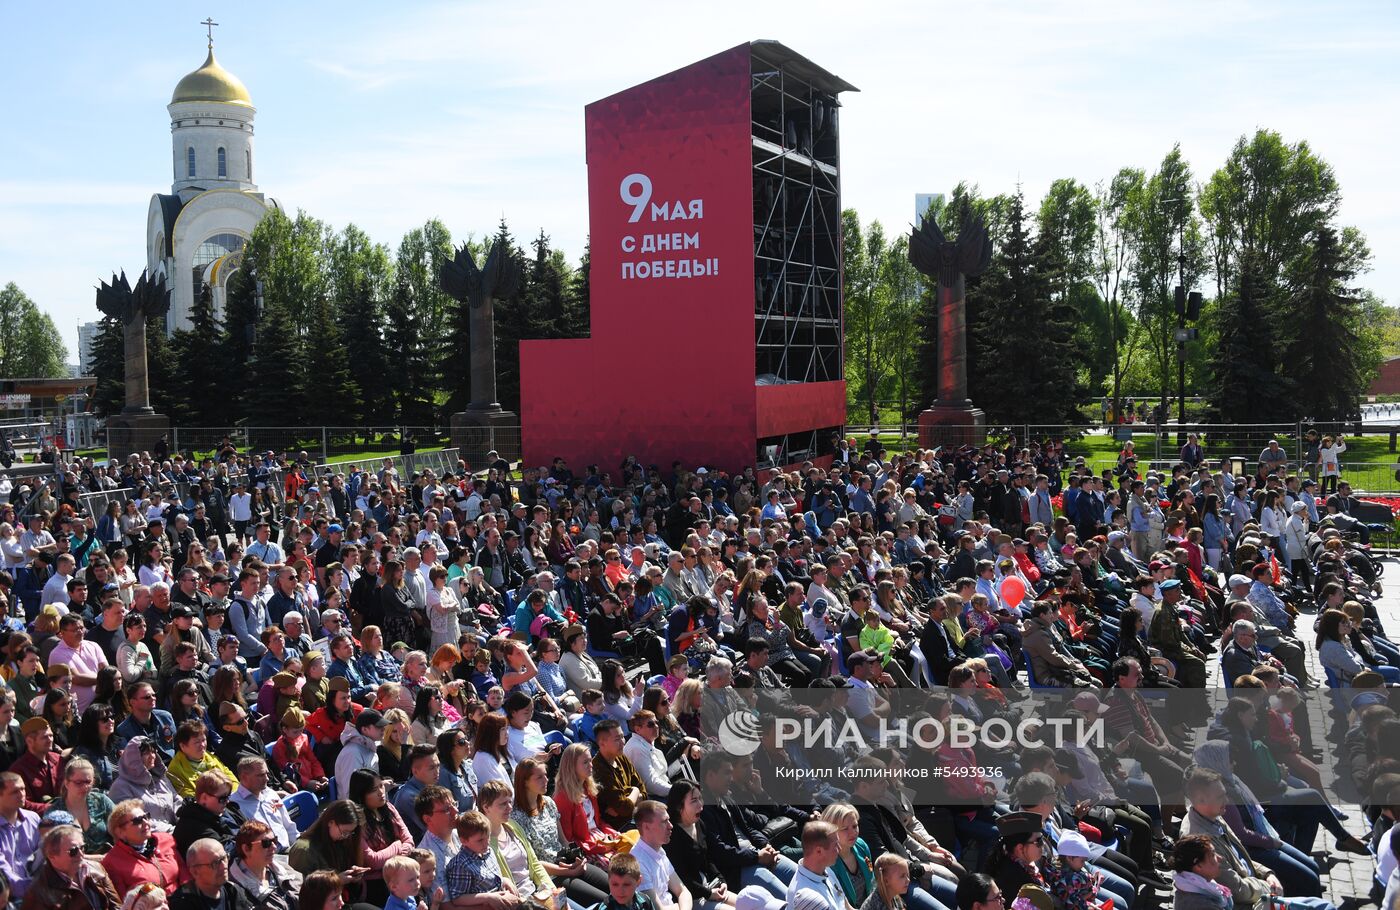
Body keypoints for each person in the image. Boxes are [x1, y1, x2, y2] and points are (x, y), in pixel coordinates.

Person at [511, 758, 610, 907]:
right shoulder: (516, 817)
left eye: (545, 775)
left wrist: (578, 858)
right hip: (551, 876)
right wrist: (567, 872)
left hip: (568, 864)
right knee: (605, 901)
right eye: (539, 777)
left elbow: (563, 841)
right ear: (524, 782)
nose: (546, 780)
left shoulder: (548, 803)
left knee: (615, 886)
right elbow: (532, 863)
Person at [347, 769, 413, 904]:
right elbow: (373, 860)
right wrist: (397, 845)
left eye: (381, 786)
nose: (381, 792)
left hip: (399, 869)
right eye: (373, 790)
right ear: (361, 795)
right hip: (376, 880)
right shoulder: (358, 822)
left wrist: (397, 853)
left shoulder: (389, 808)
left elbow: (409, 840)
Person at [102, 799, 191, 897]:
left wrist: (190, 896)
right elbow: (123, 902)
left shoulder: (165, 840)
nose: (145, 822)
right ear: (120, 832)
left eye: (146, 817)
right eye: (137, 821)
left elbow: (184, 874)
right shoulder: (112, 862)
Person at [21, 823, 120, 910]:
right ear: (52, 856)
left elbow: (117, 906)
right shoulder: (38, 893)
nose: (81, 854)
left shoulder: (96, 869)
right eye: (73, 851)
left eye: (82, 847)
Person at [288, 800, 370, 892]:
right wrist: (336, 881)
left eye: (350, 833)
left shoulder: (338, 842)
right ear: (330, 822)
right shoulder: (304, 850)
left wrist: (352, 872)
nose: (346, 836)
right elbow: (301, 889)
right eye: (344, 832)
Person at [631, 799, 693, 910]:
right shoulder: (638, 863)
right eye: (664, 821)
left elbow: (683, 891)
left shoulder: (659, 850)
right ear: (646, 827)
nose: (671, 826)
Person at [109, 737, 183, 830]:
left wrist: (183, 818)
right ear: (133, 758)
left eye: (153, 752)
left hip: (176, 830)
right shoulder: (120, 788)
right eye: (146, 753)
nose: (152, 756)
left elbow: (176, 799)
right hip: (150, 838)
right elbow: (133, 821)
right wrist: (171, 830)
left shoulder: (161, 778)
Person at [229, 758, 297, 852]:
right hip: (268, 859)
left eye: (267, 774)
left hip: (290, 850)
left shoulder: (270, 793)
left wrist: (299, 845)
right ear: (244, 777)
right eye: (261, 775)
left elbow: (289, 826)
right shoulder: (234, 805)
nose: (267, 778)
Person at [230, 821, 301, 910]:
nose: (274, 847)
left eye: (274, 840)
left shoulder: (283, 868)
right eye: (266, 843)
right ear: (246, 849)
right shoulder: (234, 890)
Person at [171, 838, 252, 910]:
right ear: (195, 871)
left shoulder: (233, 891)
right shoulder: (182, 903)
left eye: (224, 858)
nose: (223, 866)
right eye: (215, 863)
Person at [0, 772, 42, 900]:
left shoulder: (33, 818)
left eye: (23, 789)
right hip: (8, 897)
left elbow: (44, 855)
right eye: (14, 792)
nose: (22, 795)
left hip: (40, 891)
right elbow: (3, 871)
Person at [787, 820, 846, 910]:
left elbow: (846, 906)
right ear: (819, 851)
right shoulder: (805, 897)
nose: (840, 849)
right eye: (836, 845)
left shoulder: (827, 870)